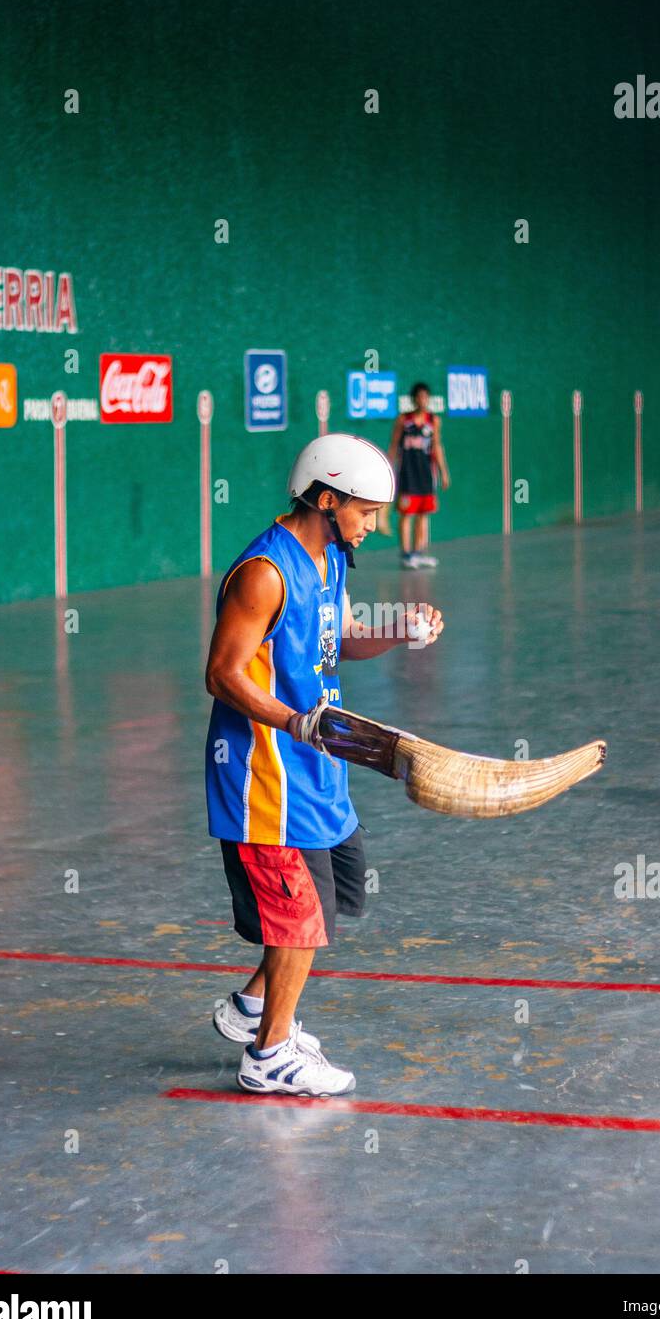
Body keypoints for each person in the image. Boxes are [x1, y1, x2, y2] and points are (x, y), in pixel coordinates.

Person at [204, 433, 444, 1096]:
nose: (376, 524)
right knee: (299, 913)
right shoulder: (265, 573)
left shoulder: (330, 558)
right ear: (328, 498)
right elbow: (222, 675)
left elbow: (329, 651)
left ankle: (253, 1006)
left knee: (337, 890)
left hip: (318, 769)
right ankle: (269, 1052)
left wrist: (399, 631)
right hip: (265, 777)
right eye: (366, 511)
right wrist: (292, 722)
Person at [388, 382, 450, 569]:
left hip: (426, 475)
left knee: (423, 514)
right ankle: (406, 555)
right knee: (407, 514)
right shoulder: (403, 420)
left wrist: (443, 472)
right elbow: (393, 446)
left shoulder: (434, 421)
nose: (422, 400)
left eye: (425, 397)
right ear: (414, 399)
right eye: (419, 397)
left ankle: (419, 552)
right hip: (408, 475)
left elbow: (437, 446)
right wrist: (388, 470)